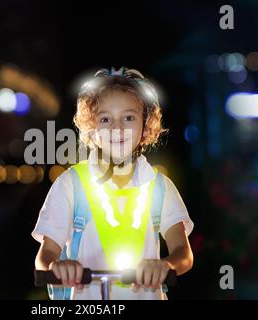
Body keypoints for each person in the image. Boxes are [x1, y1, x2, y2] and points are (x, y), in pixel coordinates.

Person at [32, 67, 194, 299]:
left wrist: (166, 265)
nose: (117, 128)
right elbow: (45, 256)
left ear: (145, 124)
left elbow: (183, 254)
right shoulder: (71, 185)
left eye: (129, 118)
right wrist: (57, 267)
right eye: (105, 119)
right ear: (91, 126)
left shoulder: (159, 186)